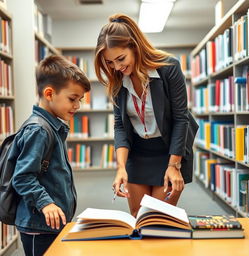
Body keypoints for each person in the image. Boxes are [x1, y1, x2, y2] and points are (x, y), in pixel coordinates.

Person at [94, 13, 198, 217]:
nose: (117, 67)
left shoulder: (168, 68)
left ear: (134, 46)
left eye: (120, 59)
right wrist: (121, 167)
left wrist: (174, 165)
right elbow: (120, 126)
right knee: (137, 216)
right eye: (110, 62)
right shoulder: (117, 79)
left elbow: (180, 119)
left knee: (158, 218)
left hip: (169, 152)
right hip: (138, 152)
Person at [11, 55, 90, 256]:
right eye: (72, 99)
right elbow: (22, 177)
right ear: (49, 93)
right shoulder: (39, 130)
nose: (77, 105)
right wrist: (45, 203)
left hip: (50, 224)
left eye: (80, 100)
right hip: (40, 226)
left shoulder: (51, 127)